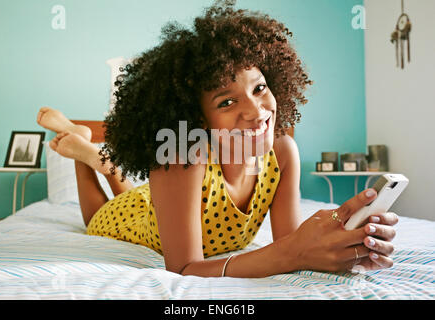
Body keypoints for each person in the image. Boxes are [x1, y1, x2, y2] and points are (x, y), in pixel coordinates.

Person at [36, 0, 398, 278]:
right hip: (133, 216)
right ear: (197, 118)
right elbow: (184, 269)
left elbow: (290, 244)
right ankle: (82, 149)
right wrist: (295, 254)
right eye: (227, 101)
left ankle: (100, 157)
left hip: (161, 200)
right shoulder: (181, 156)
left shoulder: (283, 152)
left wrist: (338, 230)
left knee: (135, 190)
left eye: (259, 88)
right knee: (98, 214)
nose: (256, 111)